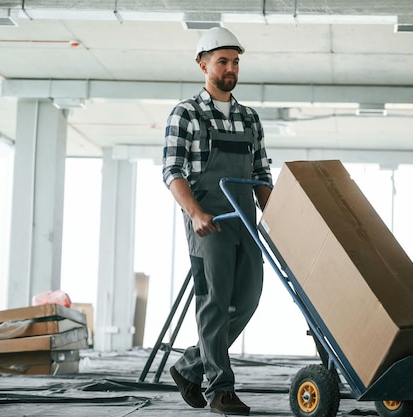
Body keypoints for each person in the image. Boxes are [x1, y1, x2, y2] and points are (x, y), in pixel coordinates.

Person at [161, 26, 272, 415]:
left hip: (245, 220)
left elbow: (261, 175)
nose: (231, 68)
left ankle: (191, 364)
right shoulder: (186, 114)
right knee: (214, 303)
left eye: (236, 61)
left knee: (248, 298)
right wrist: (195, 213)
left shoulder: (249, 118)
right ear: (203, 64)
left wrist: (277, 221)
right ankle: (220, 389)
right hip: (208, 220)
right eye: (223, 61)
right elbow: (172, 170)